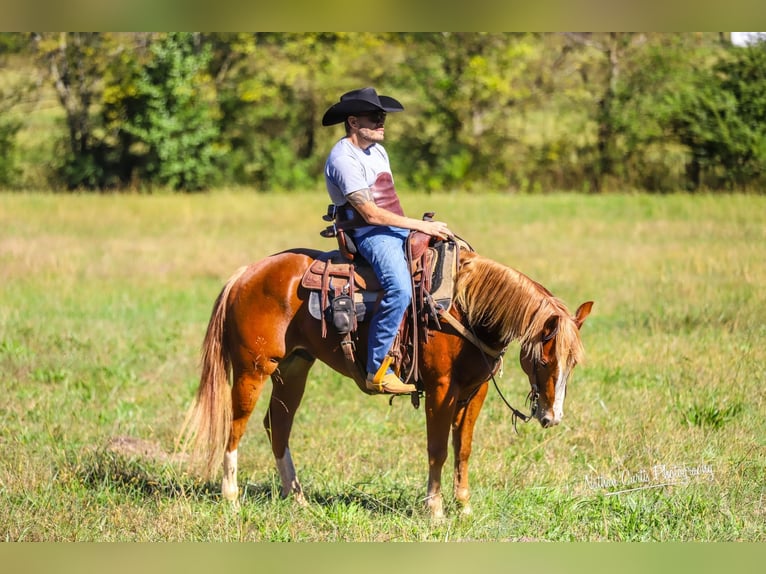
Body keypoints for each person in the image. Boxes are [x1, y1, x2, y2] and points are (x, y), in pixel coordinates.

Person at [322, 87, 453, 395]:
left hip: (393, 228)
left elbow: (389, 205)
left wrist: (419, 230)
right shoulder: (343, 158)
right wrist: (420, 225)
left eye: (382, 117)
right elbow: (370, 214)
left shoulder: (378, 150)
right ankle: (378, 367)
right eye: (374, 117)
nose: (382, 122)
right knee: (400, 288)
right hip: (371, 234)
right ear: (353, 122)